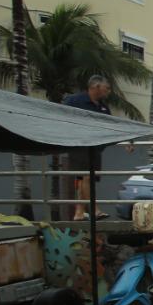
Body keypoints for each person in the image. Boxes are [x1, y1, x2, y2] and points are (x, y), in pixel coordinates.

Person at [62, 74, 113, 219]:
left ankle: (79, 212)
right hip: (80, 144)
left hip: (96, 147)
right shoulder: (74, 101)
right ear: (96, 87)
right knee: (86, 177)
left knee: (86, 180)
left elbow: (111, 126)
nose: (108, 91)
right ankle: (95, 209)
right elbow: (61, 116)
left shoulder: (103, 106)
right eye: (106, 88)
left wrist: (126, 141)